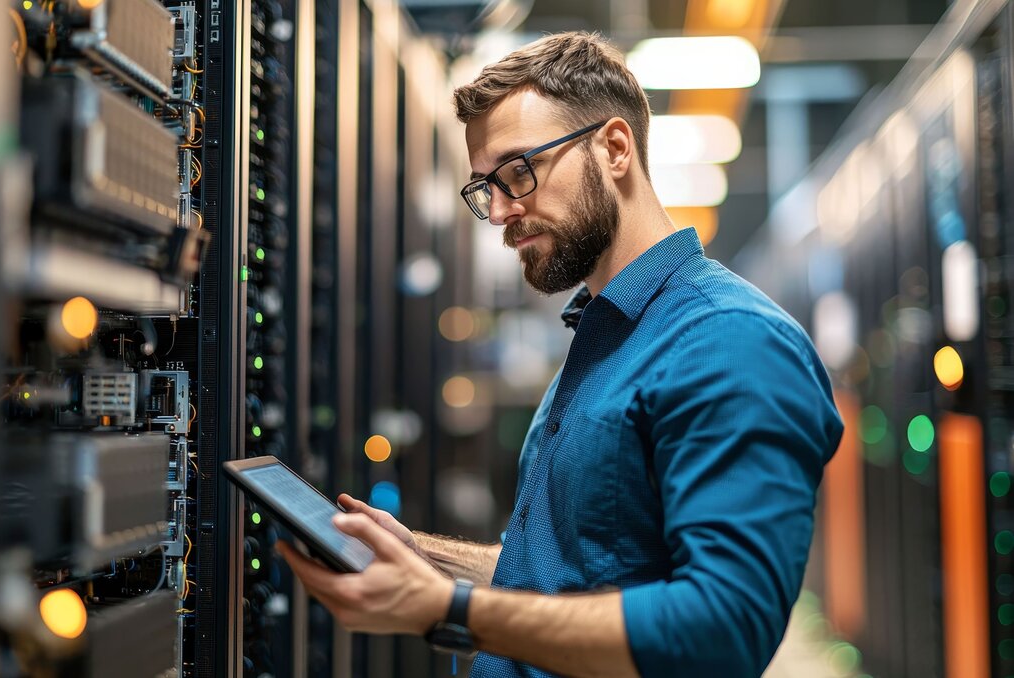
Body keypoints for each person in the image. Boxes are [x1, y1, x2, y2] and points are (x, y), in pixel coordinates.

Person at [276, 31, 844, 677]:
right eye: (485, 187)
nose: (499, 212)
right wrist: (424, 560)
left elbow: (721, 628)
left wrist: (445, 609)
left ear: (613, 148)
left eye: (519, 171)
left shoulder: (728, 342)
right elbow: (583, 570)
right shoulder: (607, 334)